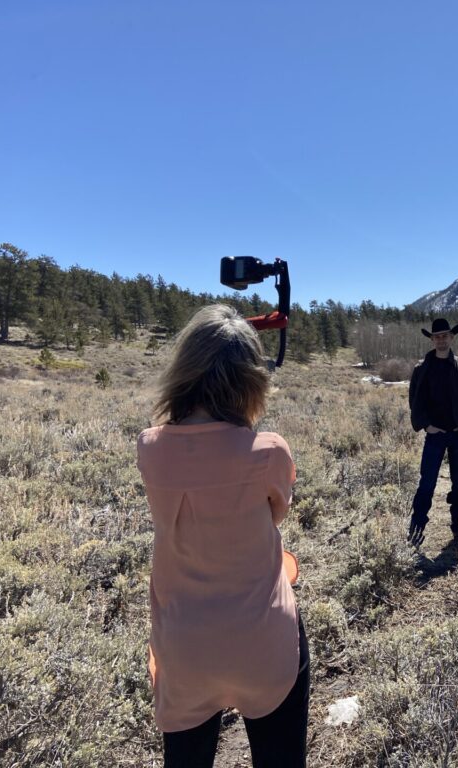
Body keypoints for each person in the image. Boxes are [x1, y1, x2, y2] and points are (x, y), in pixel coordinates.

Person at [136, 304, 309, 768]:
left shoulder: (150, 448)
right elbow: (277, 515)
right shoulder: (269, 452)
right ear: (251, 380)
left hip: (184, 648)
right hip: (262, 647)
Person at [407, 317, 458, 545]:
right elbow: (415, 401)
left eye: (445, 335)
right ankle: (416, 529)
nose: (441, 339)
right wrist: (426, 425)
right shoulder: (422, 369)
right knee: (427, 482)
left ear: (451, 337)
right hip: (435, 435)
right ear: (432, 340)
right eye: (437, 336)